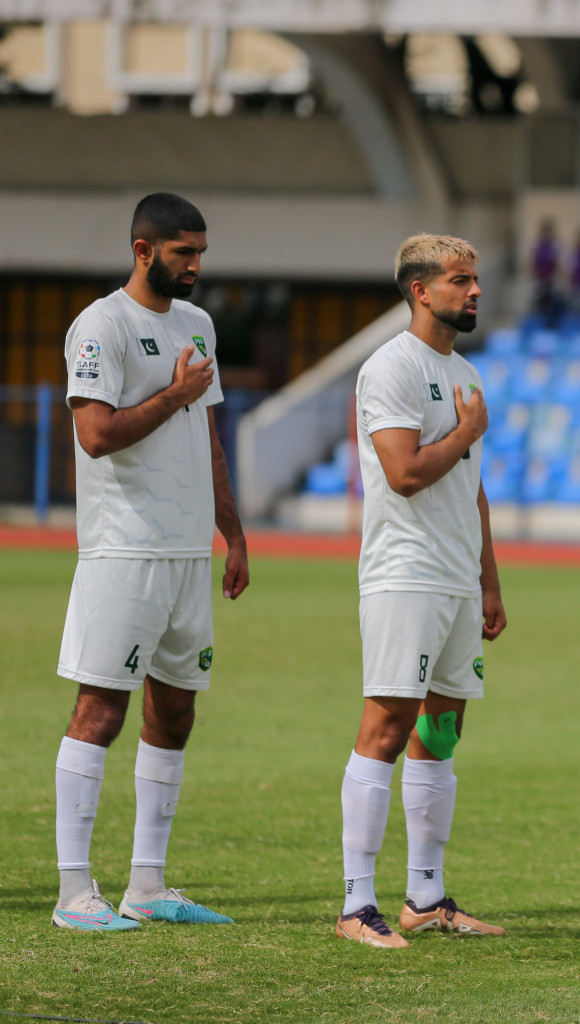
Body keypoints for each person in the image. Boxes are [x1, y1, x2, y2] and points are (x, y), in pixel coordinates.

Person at [52, 192, 248, 931]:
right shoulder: (100, 326)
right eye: (184, 254)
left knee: (176, 711)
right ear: (144, 250)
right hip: (123, 549)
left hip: (187, 551)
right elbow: (97, 434)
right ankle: (75, 893)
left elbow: (209, 433)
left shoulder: (197, 324)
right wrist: (174, 394)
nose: (196, 267)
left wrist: (233, 530)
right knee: (101, 710)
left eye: (201, 253)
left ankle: (146, 885)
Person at [335, 234, 507, 948]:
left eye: (475, 280)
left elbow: (472, 487)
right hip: (405, 575)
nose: (473, 292)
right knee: (387, 726)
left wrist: (489, 580)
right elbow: (404, 473)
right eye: (460, 281)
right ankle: (355, 904)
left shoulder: (463, 369)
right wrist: (466, 431)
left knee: (441, 733)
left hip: (457, 581)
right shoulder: (390, 369)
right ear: (420, 290)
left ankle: (425, 897)